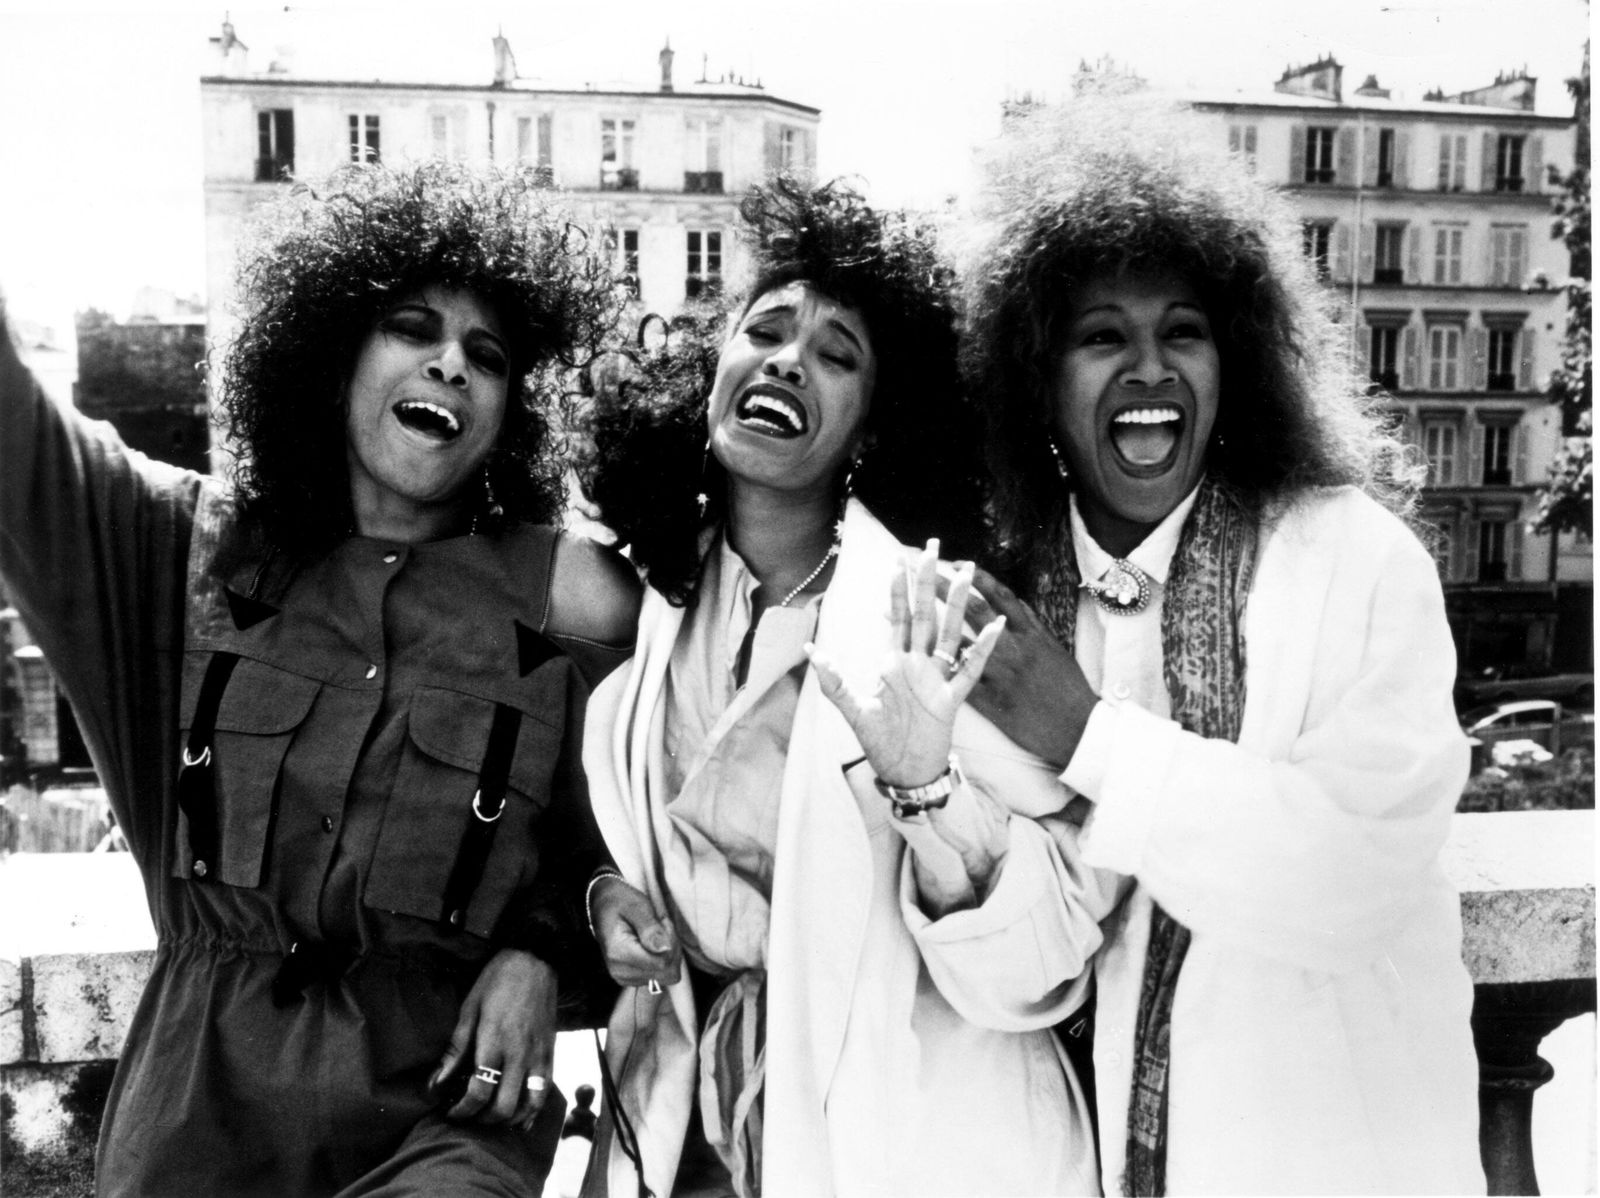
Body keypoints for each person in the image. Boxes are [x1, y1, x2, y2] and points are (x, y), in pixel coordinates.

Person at [0, 161, 640, 1196]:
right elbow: (18, 445)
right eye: (411, 329)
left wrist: (540, 957)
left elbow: (634, 849)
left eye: (486, 354)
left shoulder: (564, 602)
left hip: (444, 1129)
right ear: (331, 355)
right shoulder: (184, 556)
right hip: (194, 1131)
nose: (451, 365)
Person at [922, 103, 1484, 1194]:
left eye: (1181, 330)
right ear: (1036, 377)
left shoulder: (1355, 559)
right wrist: (927, 804)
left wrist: (1087, 739)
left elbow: (1355, 876)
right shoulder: (1005, 616)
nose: (1148, 367)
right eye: (1101, 337)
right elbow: (1013, 983)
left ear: (1237, 361)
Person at [575, 177, 1117, 1197]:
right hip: (704, 1141)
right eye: (766, 330)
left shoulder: (935, 616)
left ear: (871, 428)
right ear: (713, 371)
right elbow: (607, 829)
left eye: (836, 354)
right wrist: (611, 896)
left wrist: (929, 796)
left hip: (929, 1148)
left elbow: (1053, 953)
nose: (788, 357)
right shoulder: (649, 606)